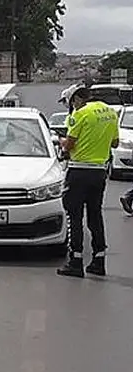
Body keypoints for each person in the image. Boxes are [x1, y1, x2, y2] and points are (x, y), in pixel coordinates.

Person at [58, 85, 119, 277]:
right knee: (95, 215)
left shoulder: (80, 114)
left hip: (78, 171)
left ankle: (75, 261)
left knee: (74, 216)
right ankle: (99, 261)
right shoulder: (110, 112)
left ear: (76, 99)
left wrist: (61, 142)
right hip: (99, 173)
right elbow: (115, 143)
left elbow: (69, 145)